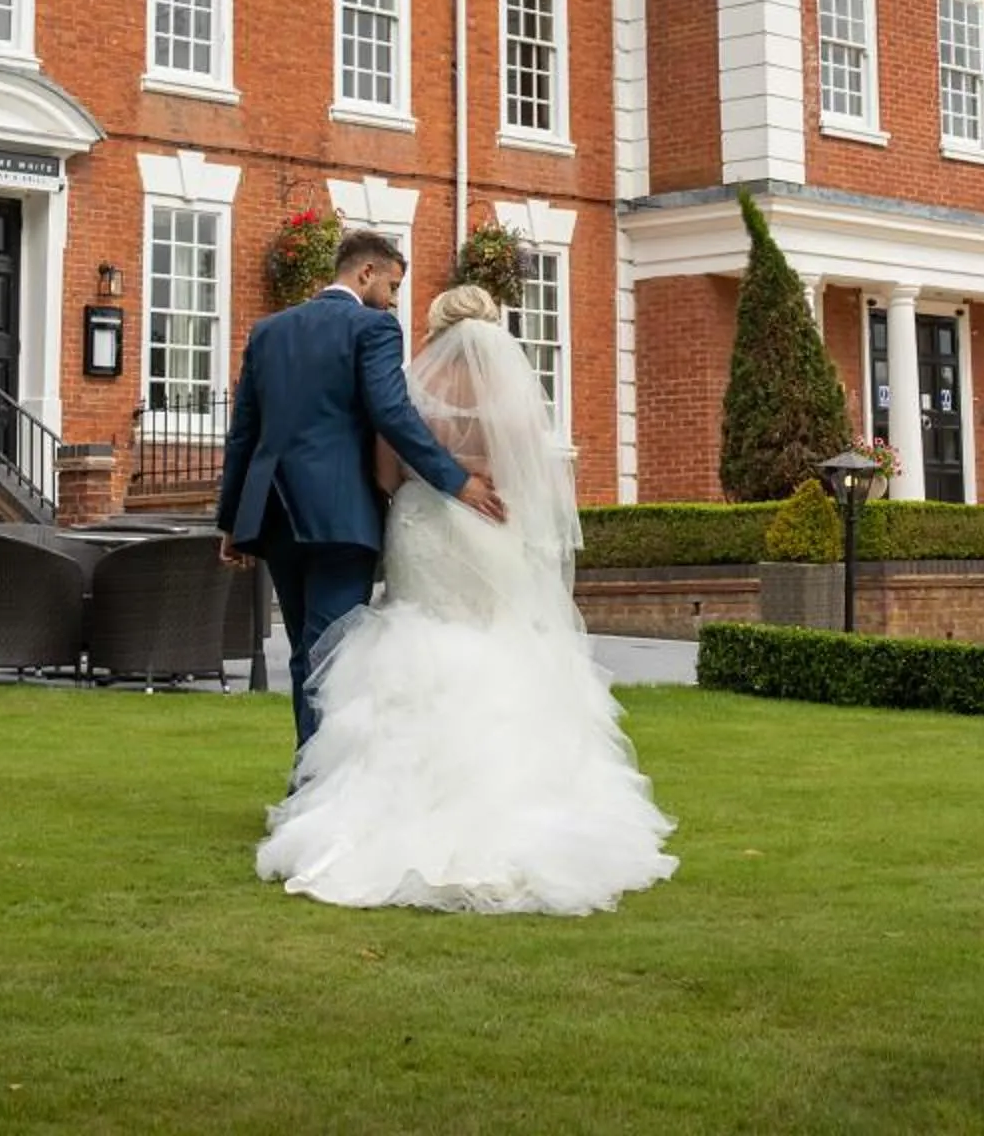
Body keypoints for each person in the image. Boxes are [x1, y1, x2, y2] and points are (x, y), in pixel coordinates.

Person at [255, 284, 677, 916]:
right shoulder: (512, 397)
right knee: (498, 645)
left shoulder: (412, 391)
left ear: (435, 327)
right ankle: (518, 807)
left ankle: (393, 814)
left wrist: (430, 478)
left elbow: (385, 475)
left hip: (423, 525)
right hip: (490, 528)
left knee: (418, 643)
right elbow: (531, 474)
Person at [217, 231, 507, 753]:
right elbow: (392, 413)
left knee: (307, 653)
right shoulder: (374, 327)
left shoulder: (268, 331)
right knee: (334, 654)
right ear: (365, 273)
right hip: (340, 514)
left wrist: (232, 522)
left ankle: (310, 772)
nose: (394, 301)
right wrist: (457, 480)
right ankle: (324, 780)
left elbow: (243, 433)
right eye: (393, 287)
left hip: (274, 513)